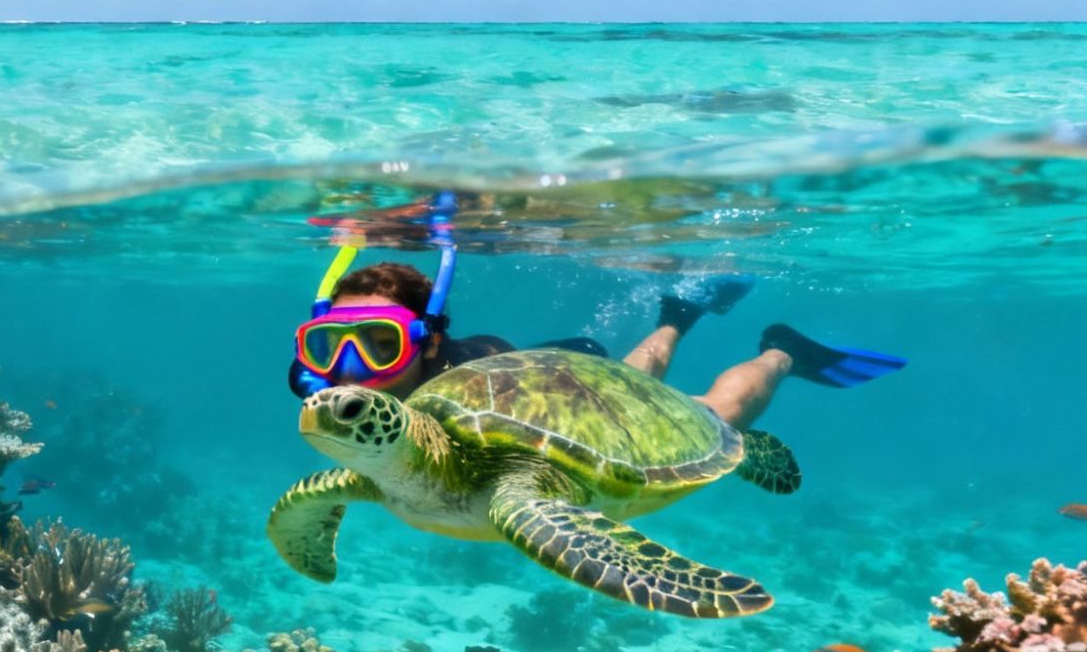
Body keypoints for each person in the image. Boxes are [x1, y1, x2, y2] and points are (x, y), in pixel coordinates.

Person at [290, 254, 903, 429]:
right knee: (642, 365)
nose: (347, 370)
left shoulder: (478, 390)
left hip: (545, 385)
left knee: (710, 419)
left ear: (426, 342)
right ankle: (678, 312)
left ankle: (782, 351)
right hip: (526, 362)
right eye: (327, 346)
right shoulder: (324, 389)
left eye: (376, 342)